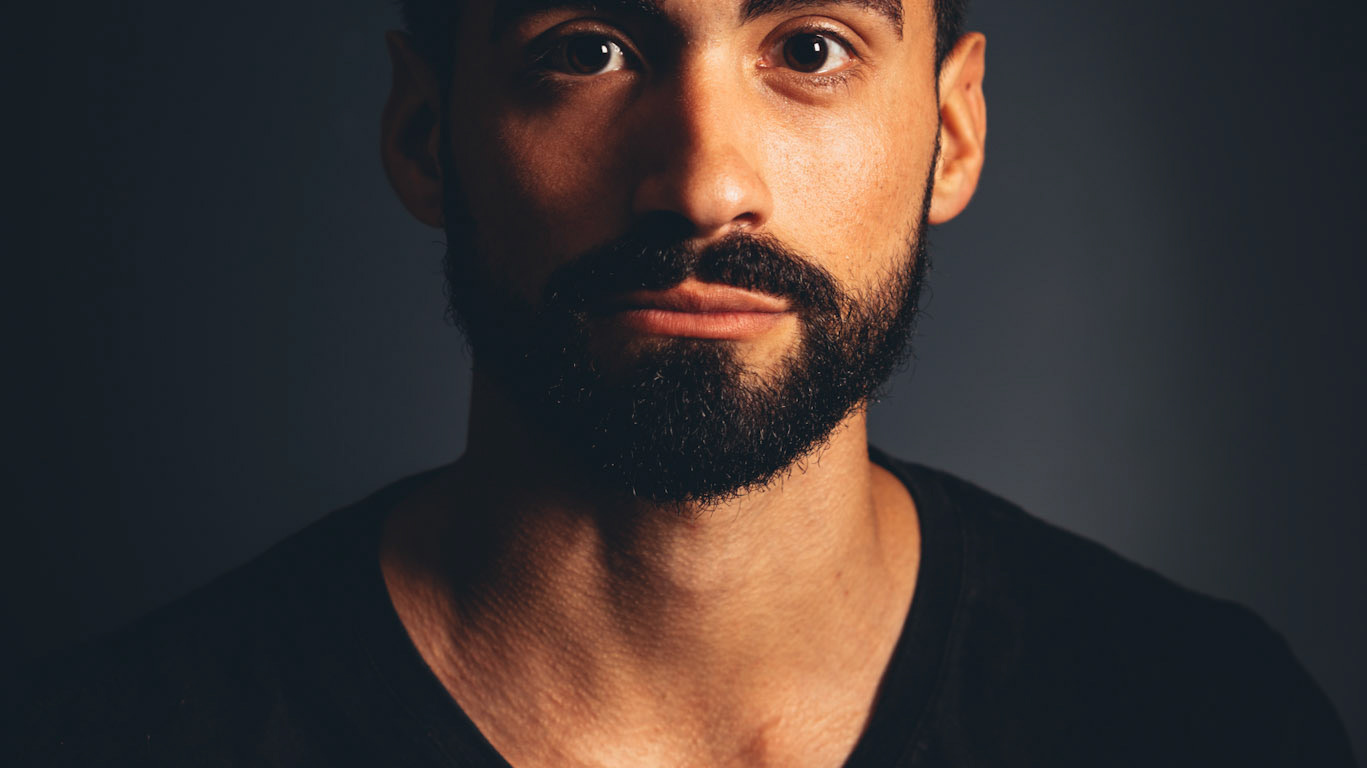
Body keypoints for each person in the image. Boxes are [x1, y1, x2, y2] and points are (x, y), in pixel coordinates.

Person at [10, 0, 1356, 765]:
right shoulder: (113, 742)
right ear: (426, 133)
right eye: (589, 47)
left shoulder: (1206, 721)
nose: (706, 184)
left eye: (811, 47)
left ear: (951, 132)